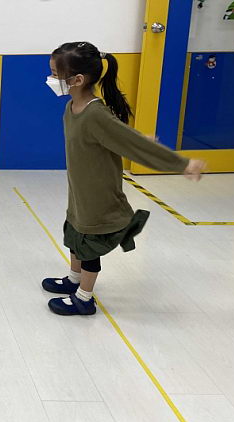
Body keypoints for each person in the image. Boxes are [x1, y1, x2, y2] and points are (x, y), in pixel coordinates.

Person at [42, 41, 206, 316]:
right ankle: (73, 279)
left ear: (78, 79)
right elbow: (120, 136)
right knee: (74, 232)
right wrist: (134, 137)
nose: (51, 79)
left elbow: (131, 144)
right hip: (80, 190)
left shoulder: (95, 114)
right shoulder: (72, 107)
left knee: (89, 244)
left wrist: (182, 164)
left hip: (99, 194)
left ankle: (84, 298)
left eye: (56, 74)